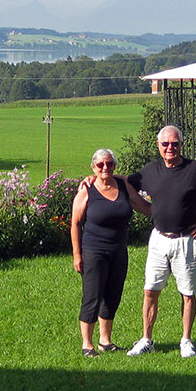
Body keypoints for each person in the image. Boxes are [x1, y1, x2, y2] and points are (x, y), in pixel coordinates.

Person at [125, 125, 196, 358]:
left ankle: (186, 340)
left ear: (181, 145)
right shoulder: (150, 171)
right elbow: (127, 184)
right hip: (159, 240)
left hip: (187, 241)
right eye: (165, 144)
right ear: (158, 145)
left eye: (174, 144)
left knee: (187, 293)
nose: (170, 148)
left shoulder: (195, 170)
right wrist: (98, 178)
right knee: (150, 290)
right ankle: (146, 340)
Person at [70, 148, 151, 357]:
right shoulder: (87, 190)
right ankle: (87, 344)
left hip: (119, 251)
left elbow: (144, 207)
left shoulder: (123, 186)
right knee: (92, 296)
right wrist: (77, 255)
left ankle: (105, 341)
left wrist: (170, 213)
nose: (105, 167)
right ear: (93, 167)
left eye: (109, 164)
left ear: (114, 166)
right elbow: (75, 223)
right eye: (100, 164)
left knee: (113, 295)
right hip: (93, 251)